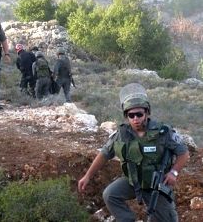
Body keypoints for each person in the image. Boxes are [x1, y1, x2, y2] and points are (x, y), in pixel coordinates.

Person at [78, 83, 189, 222]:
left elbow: (184, 153)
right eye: (131, 115)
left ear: (146, 113)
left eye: (139, 114)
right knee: (110, 194)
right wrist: (87, 176)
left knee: (166, 219)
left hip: (157, 185)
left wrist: (174, 172)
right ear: (127, 116)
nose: (135, 118)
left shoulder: (162, 132)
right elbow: (104, 154)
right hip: (133, 181)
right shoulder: (121, 134)